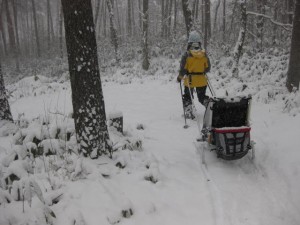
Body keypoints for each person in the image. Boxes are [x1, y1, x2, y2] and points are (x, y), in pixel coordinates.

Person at [177, 31, 211, 119]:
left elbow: (183, 69)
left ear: (189, 43)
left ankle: (188, 112)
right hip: (202, 80)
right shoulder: (204, 55)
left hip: (190, 81)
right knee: (202, 97)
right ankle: (210, 106)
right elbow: (208, 68)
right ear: (199, 43)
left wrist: (179, 78)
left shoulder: (186, 55)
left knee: (188, 97)